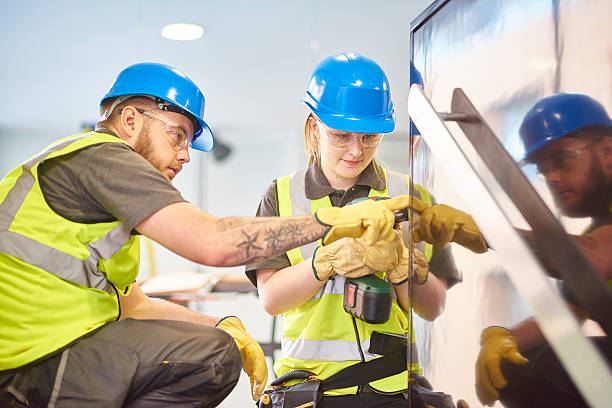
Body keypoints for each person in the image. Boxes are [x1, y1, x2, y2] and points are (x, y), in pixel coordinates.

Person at [0, 62, 417, 408]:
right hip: (30, 364)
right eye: (177, 134)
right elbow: (214, 242)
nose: (184, 154)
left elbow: (131, 305)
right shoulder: (105, 157)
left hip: (37, 356)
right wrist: (332, 224)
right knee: (211, 358)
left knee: (214, 342)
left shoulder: (94, 191)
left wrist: (223, 322)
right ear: (129, 120)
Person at [245, 53, 487, 408]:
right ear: (314, 126)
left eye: (369, 137)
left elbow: (433, 307)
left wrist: (403, 266)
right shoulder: (280, 196)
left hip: (392, 389)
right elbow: (271, 299)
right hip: (312, 389)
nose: (356, 151)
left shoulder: (411, 196)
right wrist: (325, 263)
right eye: (341, 136)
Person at [475, 93, 612, 407]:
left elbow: (593, 260)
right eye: (542, 167)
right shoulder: (599, 230)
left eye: (562, 159)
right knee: (521, 364)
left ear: (607, 150)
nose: (551, 176)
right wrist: (504, 338)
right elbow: (563, 318)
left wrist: (482, 231)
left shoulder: (597, 243)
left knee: (557, 366)